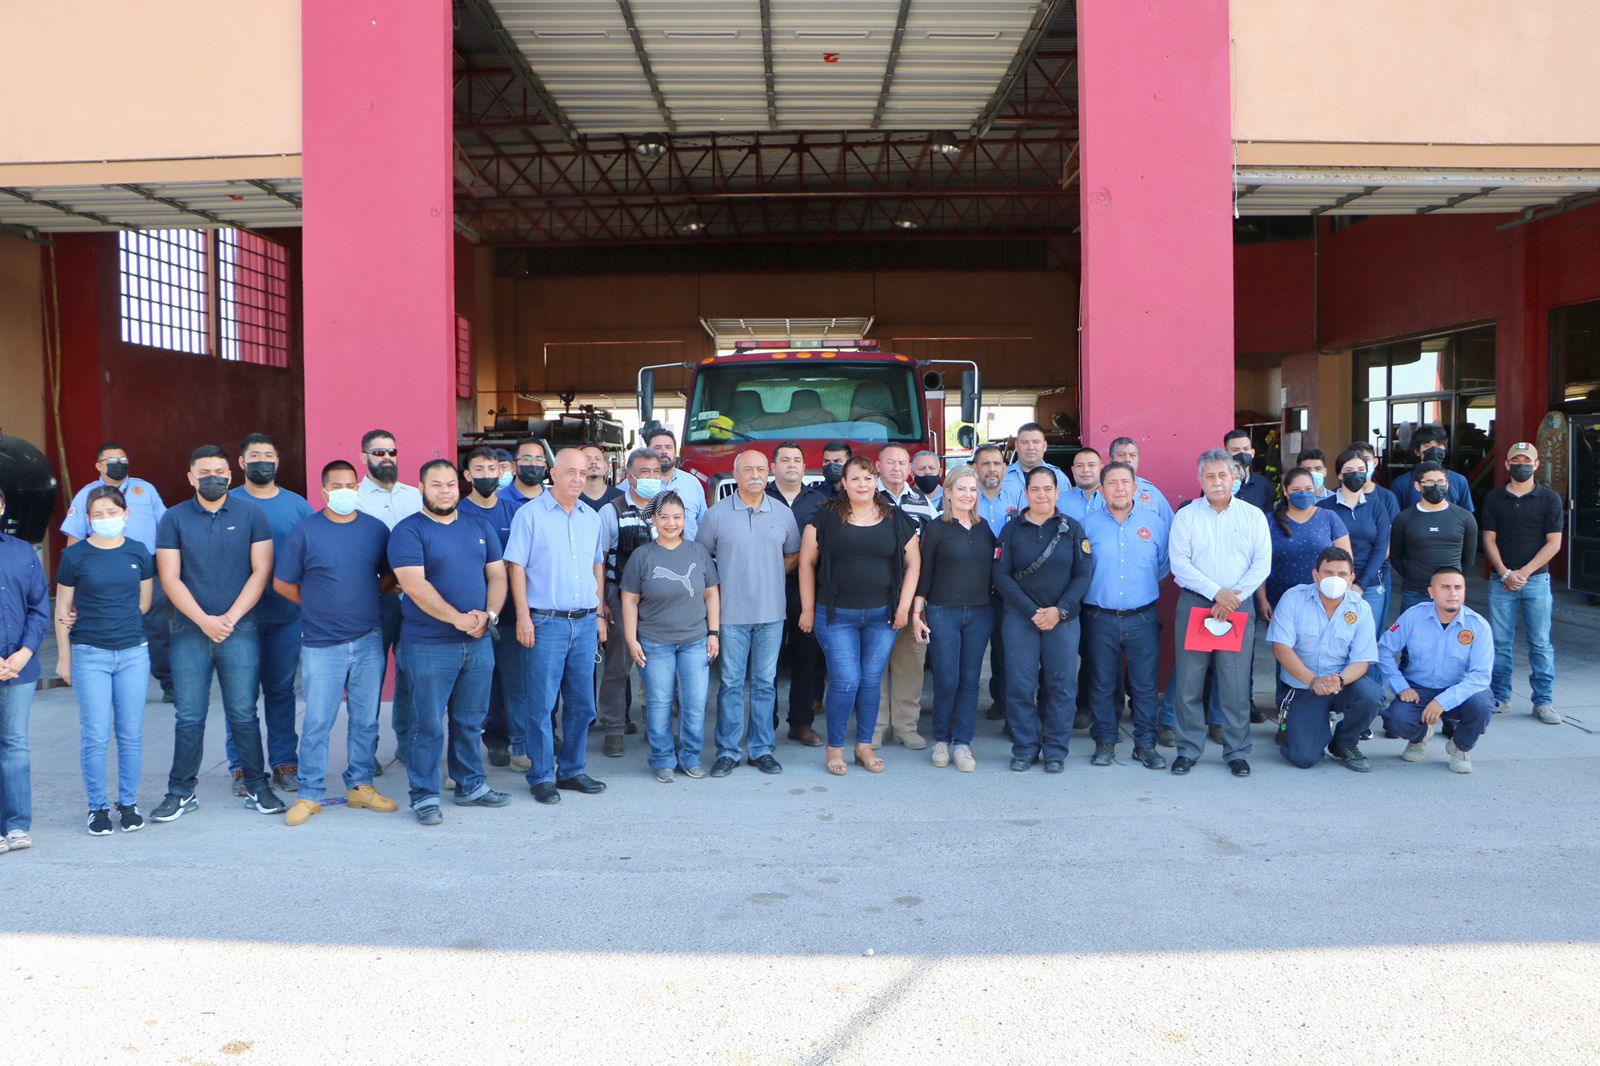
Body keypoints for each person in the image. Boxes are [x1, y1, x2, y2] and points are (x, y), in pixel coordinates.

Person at [151, 445, 279, 822]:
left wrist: (230, 618)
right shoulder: (173, 519)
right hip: (189, 631)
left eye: (220, 471)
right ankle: (181, 791)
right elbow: (169, 576)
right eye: (204, 471)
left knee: (243, 713)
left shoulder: (252, 514)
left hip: (241, 629)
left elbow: (261, 571)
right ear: (191, 478)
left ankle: (258, 786)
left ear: (231, 474)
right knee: (189, 716)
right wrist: (205, 620)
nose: (213, 477)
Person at [272, 460, 400, 826]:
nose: (345, 491)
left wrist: (369, 596)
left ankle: (360, 785)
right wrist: (315, 605)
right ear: (324, 490)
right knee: (317, 721)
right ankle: (309, 793)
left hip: (367, 639)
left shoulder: (375, 530)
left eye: (350, 484)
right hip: (321, 644)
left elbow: (390, 576)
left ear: (358, 488)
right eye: (337, 485)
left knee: (365, 721)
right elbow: (283, 583)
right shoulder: (305, 532)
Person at [388, 459, 510, 824]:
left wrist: (488, 616)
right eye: (436, 484)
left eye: (450, 484)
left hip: (477, 641)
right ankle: (424, 795)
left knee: (470, 720)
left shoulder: (480, 525)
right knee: (427, 724)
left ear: (460, 487)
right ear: (422, 488)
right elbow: (413, 584)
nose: (445, 490)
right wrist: (457, 618)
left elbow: (498, 576)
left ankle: (471, 784)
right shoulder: (408, 531)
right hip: (428, 645)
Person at [797, 456, 920, 776]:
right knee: (846, 679)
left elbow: (914, 563)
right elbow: (807, 563)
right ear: (844, 484)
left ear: (875, 480)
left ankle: (864, 746)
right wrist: (808, 608)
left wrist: (904, 607)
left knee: (869, 681)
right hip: (835, 614)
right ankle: (834, 748)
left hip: (883, 616)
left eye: (868, 478)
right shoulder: (824, 517)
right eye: (855, 479)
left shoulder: (895, 517)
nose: (862, 485)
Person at [505, 447, 608, 804]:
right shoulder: (530, 515)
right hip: (545, 622)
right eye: (571, 472)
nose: (578, 479)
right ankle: (542, 776)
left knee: (582, 704)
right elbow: (515, 567)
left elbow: (598, 566)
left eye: (583, 473)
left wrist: (598, 614)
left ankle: (573, 770)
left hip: (583, 623)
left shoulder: (590, 517)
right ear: (553, 472)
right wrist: (522, 616)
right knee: (542, 704)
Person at [54, 486, 154, 835]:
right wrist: (64, 658)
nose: (105, 519)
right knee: (95, 735)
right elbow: (62, 609)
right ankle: (96, 807)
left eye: (112, 512)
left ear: (125, 515)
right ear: (88, 519)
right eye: (97, 514)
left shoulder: (139, 552)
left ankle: (128, 803)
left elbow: (143, 603)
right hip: (89, 654)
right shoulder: (75, 556)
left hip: (132, 653)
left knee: (130, 733)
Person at [1168, 449, 1272, 778]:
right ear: (1200, 479)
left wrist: (1232, 597)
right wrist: (1217, 593)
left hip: (1237, 607)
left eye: (1223, 475)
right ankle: (1188, 749)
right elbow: (1179, 564)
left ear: (1235, 478)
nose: (1216, 481)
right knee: (1189, 682)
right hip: (1197, 604)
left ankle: (1237, 750)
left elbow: (1262, 564)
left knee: (1235, 683)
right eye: (1209, 476)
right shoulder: (1186, 516)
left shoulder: (1253, 516)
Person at [697, 450, 799, 776]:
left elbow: (794, 555)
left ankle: (761, 749)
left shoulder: (782, 513)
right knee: (729, 684)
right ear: (735, 473)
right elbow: (702, 560)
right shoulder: (716, 515)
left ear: (768, 472)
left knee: (765, 684)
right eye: (747, 469)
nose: (754, 474)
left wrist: (766, 573)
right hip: (730, 615)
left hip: (772, 613)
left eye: (759, 468)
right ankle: (727, 751)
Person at [226, 433, 313, 794]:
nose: (262, 461)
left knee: (280, 692)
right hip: (237, 617)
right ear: (242, 463)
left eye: (269, 455)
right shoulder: (226, 502)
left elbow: (311, 556)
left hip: (285, 615)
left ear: (277, 462)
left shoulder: (298, 506)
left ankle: (284, 763)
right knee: (240, 695)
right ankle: (244, 768)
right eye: (255, 456)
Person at [992, 466, 1092, 773]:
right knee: (1020, 685)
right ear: (1026, 493)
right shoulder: (1011, 530)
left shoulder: (1072, 528)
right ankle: (1024, 748)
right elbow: (1001, 575)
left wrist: (1059, 610)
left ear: (1057, 492)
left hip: (1062, 619)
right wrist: (1031, 611)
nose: (1041, 495)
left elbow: (1083, 573)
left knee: (1061, 685)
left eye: (1047, 489)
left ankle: (1055, 750)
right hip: (1020, 619)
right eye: (1035, 489)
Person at [620, 491, 720, 782]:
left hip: (695, 640)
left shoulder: (698, 552)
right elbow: (629, 600)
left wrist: (713, 633)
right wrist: (631, 638)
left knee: (694, 702)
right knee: (660, 703)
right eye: (664, 517)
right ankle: (662, 757)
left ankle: (690, 756)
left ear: (685, 519)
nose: (671, 523)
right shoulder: (642, 556)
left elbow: (712, 594)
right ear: (654, 519)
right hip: (655, 641)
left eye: (677, 517)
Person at [61, 442, 171, 702]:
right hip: (100, 572)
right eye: (112, 460)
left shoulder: (145, 490)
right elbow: (74, 539)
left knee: (156, 626)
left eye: (123, 458)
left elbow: (165, 528)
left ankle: (169, 682)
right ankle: (107, 680)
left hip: (146, 569)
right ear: (99, 465)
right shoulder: (86, 494)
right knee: (107, 623)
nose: (118, 463)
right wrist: (72, 583)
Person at [599, 449, 693, 757]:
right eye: (644, 471)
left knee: (662, 665)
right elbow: (598, 561)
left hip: (662, 600)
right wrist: (602, 605)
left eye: (656, 471)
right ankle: (614, 728)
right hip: (621, 594)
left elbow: (684, 549)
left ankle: (659, 727)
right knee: (618, 665)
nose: (652, 477)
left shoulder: (668, 510)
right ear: (629, 476)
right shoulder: (610, 511)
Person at [1081, 462, 1169, 770]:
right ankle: (1105, 741)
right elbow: (1081, 569)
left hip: (1142, 617)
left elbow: (1162, 565)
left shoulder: (1155, 523)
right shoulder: (1087, 524)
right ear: (1101, 489)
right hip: (1099, 617)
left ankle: (1145, 745)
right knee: (1103, 683)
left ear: (1135, 488)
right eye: (1112, 483)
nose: (1119, 488)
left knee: (1145, 686)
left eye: (1125, 482)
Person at [911, 465, 996, 772]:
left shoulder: (986, 528)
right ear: (947, 492)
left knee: (971, 680)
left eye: (972, 490)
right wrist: (917, 613)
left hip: (980, 612)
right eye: (961, 489)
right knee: (947, 680)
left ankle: (963, 743)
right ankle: (942, 739)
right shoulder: (935, 528)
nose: (967, 495)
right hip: (942, 611)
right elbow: (925, 573)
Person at [1266, 547, 1381, 771]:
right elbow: (1281, 649)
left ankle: (1344, 744)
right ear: (1315, 575)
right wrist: (1313, 681)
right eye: (1328, 573)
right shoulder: (1293, 599)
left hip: (1341, 683)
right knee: (1304, 758)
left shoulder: (1361, 608)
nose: (1335, 579)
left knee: (1372, 697)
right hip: (1302, 686)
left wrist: (1337, 680)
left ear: (1351, 579)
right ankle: (1295, 726)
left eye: (1342, 574)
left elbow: (1362, 661)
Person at [1378, 566, 1495, 773]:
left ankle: (1461, 746)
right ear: (1432, 592)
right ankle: (1420, 736)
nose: (1453, 593)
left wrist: (1443, 701)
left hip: (1460, 690)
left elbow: (1480, 676)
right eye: (1445, 587)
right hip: (1419, 688)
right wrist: (1400, 686)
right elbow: (1384, 649)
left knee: (1482, 705)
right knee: (1395, 720)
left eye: (1458, 587)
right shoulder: (1413, 616)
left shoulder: (1478, 626)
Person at [1480, 441, 1564, 723]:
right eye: (1515, 460)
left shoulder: (1549, 499)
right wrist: (1505, 572)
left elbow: (1554, 543)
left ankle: (1543, 701)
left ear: (1536, 464)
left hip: (1537, 582)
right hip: (1500, 580)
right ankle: (1501, 696)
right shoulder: (1493, 498)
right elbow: (1488, 538)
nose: (1521, 465)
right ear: (1506, 465)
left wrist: (1524, 572)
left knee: (1540, 643)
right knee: (1500, 642)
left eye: (1527, 461)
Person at [460, 447, 531, 770]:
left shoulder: (514, 512)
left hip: (512, 614)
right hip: (473, 616)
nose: (488, 474)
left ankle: (520, 747)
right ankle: (494, 742)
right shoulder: (458, 513)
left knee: (517, 683)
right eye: (480, 469)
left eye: (493, 468)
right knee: (483, 686)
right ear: (467, 475)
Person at [356, 428, 423, 767]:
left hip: (414, 600)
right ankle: (365, 753)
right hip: (374, 602)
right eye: (378, 452)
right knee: (369, 678)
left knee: (411, 673)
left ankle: (407, 742)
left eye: (391, 452)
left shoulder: (415, 497)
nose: (386, 458)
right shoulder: (353, 499)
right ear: (363, 457)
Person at [874, 443, 939, 748]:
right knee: (873, 665)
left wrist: (921, 601)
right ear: (878, 466)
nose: (897, 468)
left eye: (902, 462)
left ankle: (905, 727)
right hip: (873, 596)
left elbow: (930, 551)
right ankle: (874, 728)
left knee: (910, 665)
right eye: (891, 462)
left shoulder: (922, 502)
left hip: (912, 599)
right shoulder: (865, 497)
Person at [771, 441, 830, 746]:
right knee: (766, 660)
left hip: (807, 591)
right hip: (765, 590)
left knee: (806, 658)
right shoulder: (759, 498)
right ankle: (765, 723)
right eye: (785, 460)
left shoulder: (820, 502)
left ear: (805, 468)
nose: (791, 464)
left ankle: (800, 723)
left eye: (797, 460)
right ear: (774, 467)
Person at [0, 488, 49, 853]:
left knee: (15, 744)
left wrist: (25, 652)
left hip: (20, 665)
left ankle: (17, 826)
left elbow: (38, 608)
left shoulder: (22, 553)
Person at [1259, 467, 1352, 617]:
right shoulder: (1268, 521)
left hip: (1323, 601)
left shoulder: (1329, 518)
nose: (1303, 493)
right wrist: (1262, 600)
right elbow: (1259, 564)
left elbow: (1346, 561)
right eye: (1296, 489)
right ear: (1285, 491)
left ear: (1315, 489)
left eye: (1308, 488)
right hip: (1279, 602)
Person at [1317, 448, 1394, 624]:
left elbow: (1381, 548)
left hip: (1370, 585)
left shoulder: (1377, 506)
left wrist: (1362, 584)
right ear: (1339, 475)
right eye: (1349, 471)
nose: (1356, 475)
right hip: (1333, 583)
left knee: (1366, 641)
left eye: (1361, 471)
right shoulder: (1324, 507)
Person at [1389, 461, 1478, 612]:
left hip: (1451, 595)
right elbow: (1396, 556)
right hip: (1415, 592)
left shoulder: (1465, 517)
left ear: (1447, 484)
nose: (1436, 486)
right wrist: (1413, 575)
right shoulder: (1404, 518)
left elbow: (1469, 559)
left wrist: (1451, 581)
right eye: (1430, 482)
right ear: (1418, 486)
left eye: (1440, 481)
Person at [972, 442, 1015, 724]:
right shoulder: (963, 496)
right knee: (970, 651)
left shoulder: (1018, 497)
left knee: (1005, 648)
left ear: (1005, 468)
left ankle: (1002, 701)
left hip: (1007, 587)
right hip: (971, 585)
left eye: (996, 463)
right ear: (975, 468)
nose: (991, 469)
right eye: (985, 463)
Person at [1391, 427, 1475, 512]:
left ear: (1445, 449)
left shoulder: (1459, 481)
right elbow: (1397, 520)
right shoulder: (1401, 483)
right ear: (1417, 451)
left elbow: (1467, 517)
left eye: (1439, 445)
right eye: (1427, 446)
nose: (1434, 450)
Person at [647, 426, 707, 524]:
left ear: (675, 452)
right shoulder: (633, 484)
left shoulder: (693, 483)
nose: (663, 452)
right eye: (658, 448)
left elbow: (703, 524)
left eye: (668, 447)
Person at [1001, 423, 1067, 510]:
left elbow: (1065, 512)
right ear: (1016, 446)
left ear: (1044, 446)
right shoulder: (1002, 476)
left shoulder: (1059, 478)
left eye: (1036, 442)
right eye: (1025, 442)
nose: (1031, 447)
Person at [1107, 437, 1175, 520]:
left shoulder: (1152, 492)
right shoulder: (1099, 491)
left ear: (1138, 459)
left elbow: (1169, 527)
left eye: (1132, 455)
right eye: (1121, 455)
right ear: (1110, 460)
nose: (1127, 459)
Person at [1224, 429, 1274, 512]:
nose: (1242, 453)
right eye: (1235, 450)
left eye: (1246, 449)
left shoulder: (1263, 484)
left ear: (1252, 452)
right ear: (1225, 454)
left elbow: (1268, 517)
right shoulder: (1217, 483)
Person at [498, 437, 548, 509]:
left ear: (545, 466)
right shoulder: (499, 502)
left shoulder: (556, 499)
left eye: (539, 459)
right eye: (526, 459)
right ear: (514, 466)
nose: (533, 464)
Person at [1060, 447, 1105, 522]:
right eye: (1080, 465)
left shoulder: (1112, 499)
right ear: (1073, 470)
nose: (1085, 470)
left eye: (1091, 465)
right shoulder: (1058, 500)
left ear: (1101, 469)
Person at [579, 444, 623, 511]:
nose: (593, 462)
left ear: (606, 466)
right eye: (587, 459)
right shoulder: (571, 499)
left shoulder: (621, 498)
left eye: (597, 459)